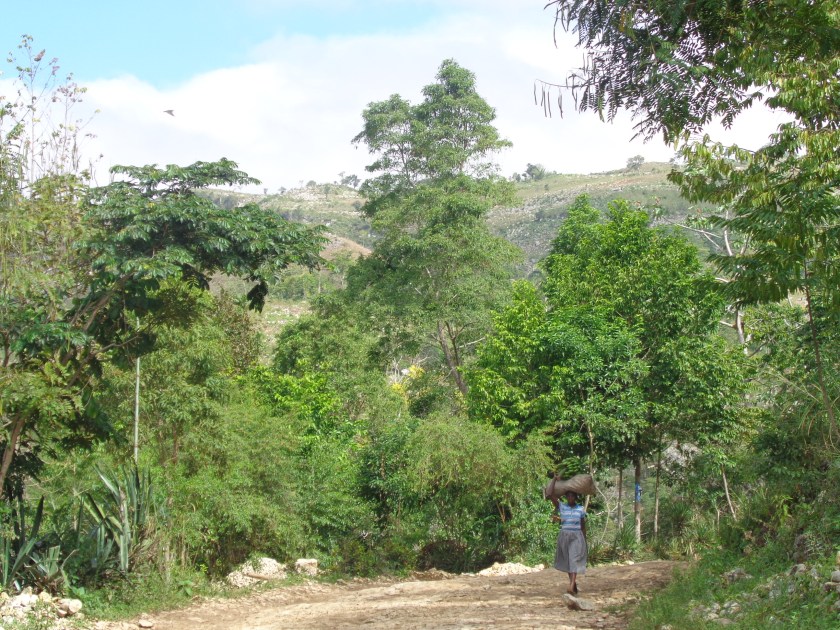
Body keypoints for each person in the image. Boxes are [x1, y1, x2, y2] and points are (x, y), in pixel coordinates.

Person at [551, 490, 587, 594]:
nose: (570, 498)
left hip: (576, 536)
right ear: (566, 497)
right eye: (568, 496)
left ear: (576, 497)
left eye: (572, 496)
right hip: (564, 536)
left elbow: (583, 526)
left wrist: (584, 541)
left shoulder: (580, 509)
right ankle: (573, 583)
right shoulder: (562, 507)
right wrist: (554, 481)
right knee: (568, 561)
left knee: (573, 560)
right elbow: (550, 494)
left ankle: (571, 586)